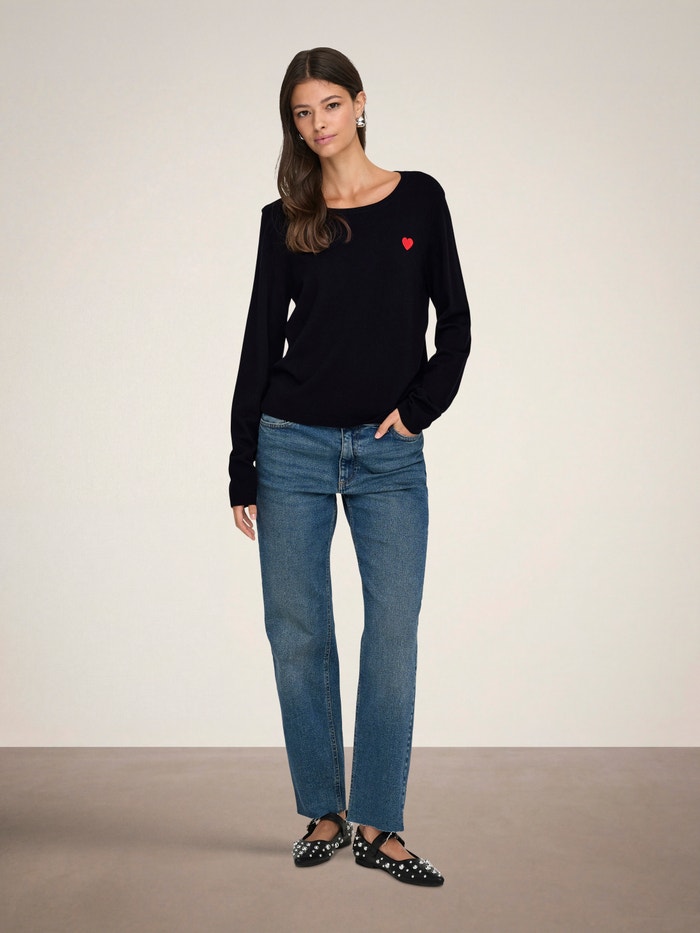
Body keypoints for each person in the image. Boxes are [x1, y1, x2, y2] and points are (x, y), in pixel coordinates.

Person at [229, 47, 470, 887]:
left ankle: (379, 824)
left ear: (360, 104)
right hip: (290, 442)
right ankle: (324, 813)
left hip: (388, 452)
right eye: (302, 112)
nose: (318, 123)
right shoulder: (285, 217)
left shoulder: (421, 198)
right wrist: (242, 462)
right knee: (297, 634)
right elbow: (261, 340)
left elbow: (456, 324)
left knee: (392, 634)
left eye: (330, 104)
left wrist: (421, 406)